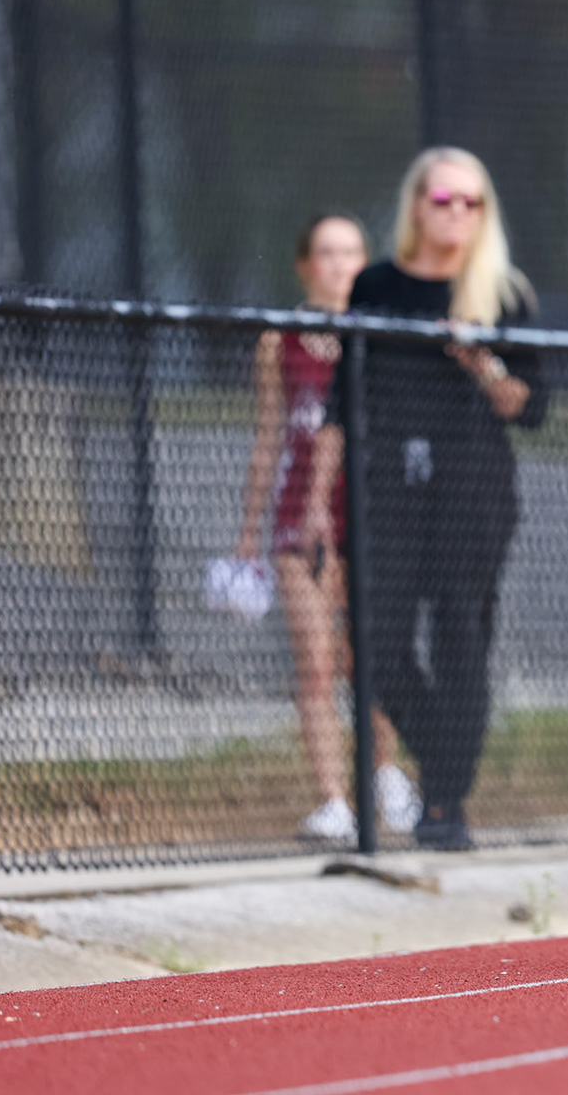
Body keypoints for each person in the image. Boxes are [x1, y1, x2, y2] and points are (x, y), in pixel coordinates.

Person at [304, 148, 547, 851]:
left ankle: (444, 803)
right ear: (417, 204)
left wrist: (480, 359)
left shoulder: (504, 292)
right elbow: (341, 400)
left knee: (460, 638)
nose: (457, 214)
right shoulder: (376, 285)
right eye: (444, 199)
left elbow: (530, 407)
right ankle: (444, 763)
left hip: (473, 493)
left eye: (472, 202)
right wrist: (320, 501)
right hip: (390, 488)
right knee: (375, 637)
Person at [235, 214, 419, 843]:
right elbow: (270, 438)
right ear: (305, 265)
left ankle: (385, 773)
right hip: (299, 520)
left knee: (360, 655)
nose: (339, 265)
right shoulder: (279, 340)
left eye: (351, 253)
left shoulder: (377, 336)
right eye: (327, 253)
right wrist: (246, 534)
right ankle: (332, 799)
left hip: (366, 516)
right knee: (314, 662)